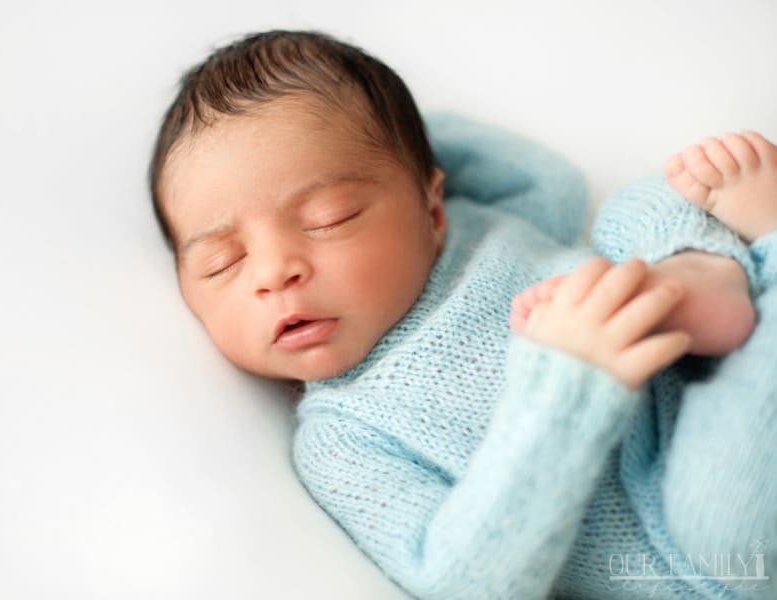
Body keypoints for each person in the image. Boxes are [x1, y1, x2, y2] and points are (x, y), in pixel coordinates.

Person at [148, 30, 777, 599]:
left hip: (718, 398)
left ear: (432, 207)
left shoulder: (484, 226)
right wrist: (568, 389)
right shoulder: (343, 441)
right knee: (714, 512)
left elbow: (547, 178)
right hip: (712, 547)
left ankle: (700, 271)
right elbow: (463, 583)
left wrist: (384, 129)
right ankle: (762, 254)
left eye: (328, 218)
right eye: (222, 263)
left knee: (637, 207)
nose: (272, 273)